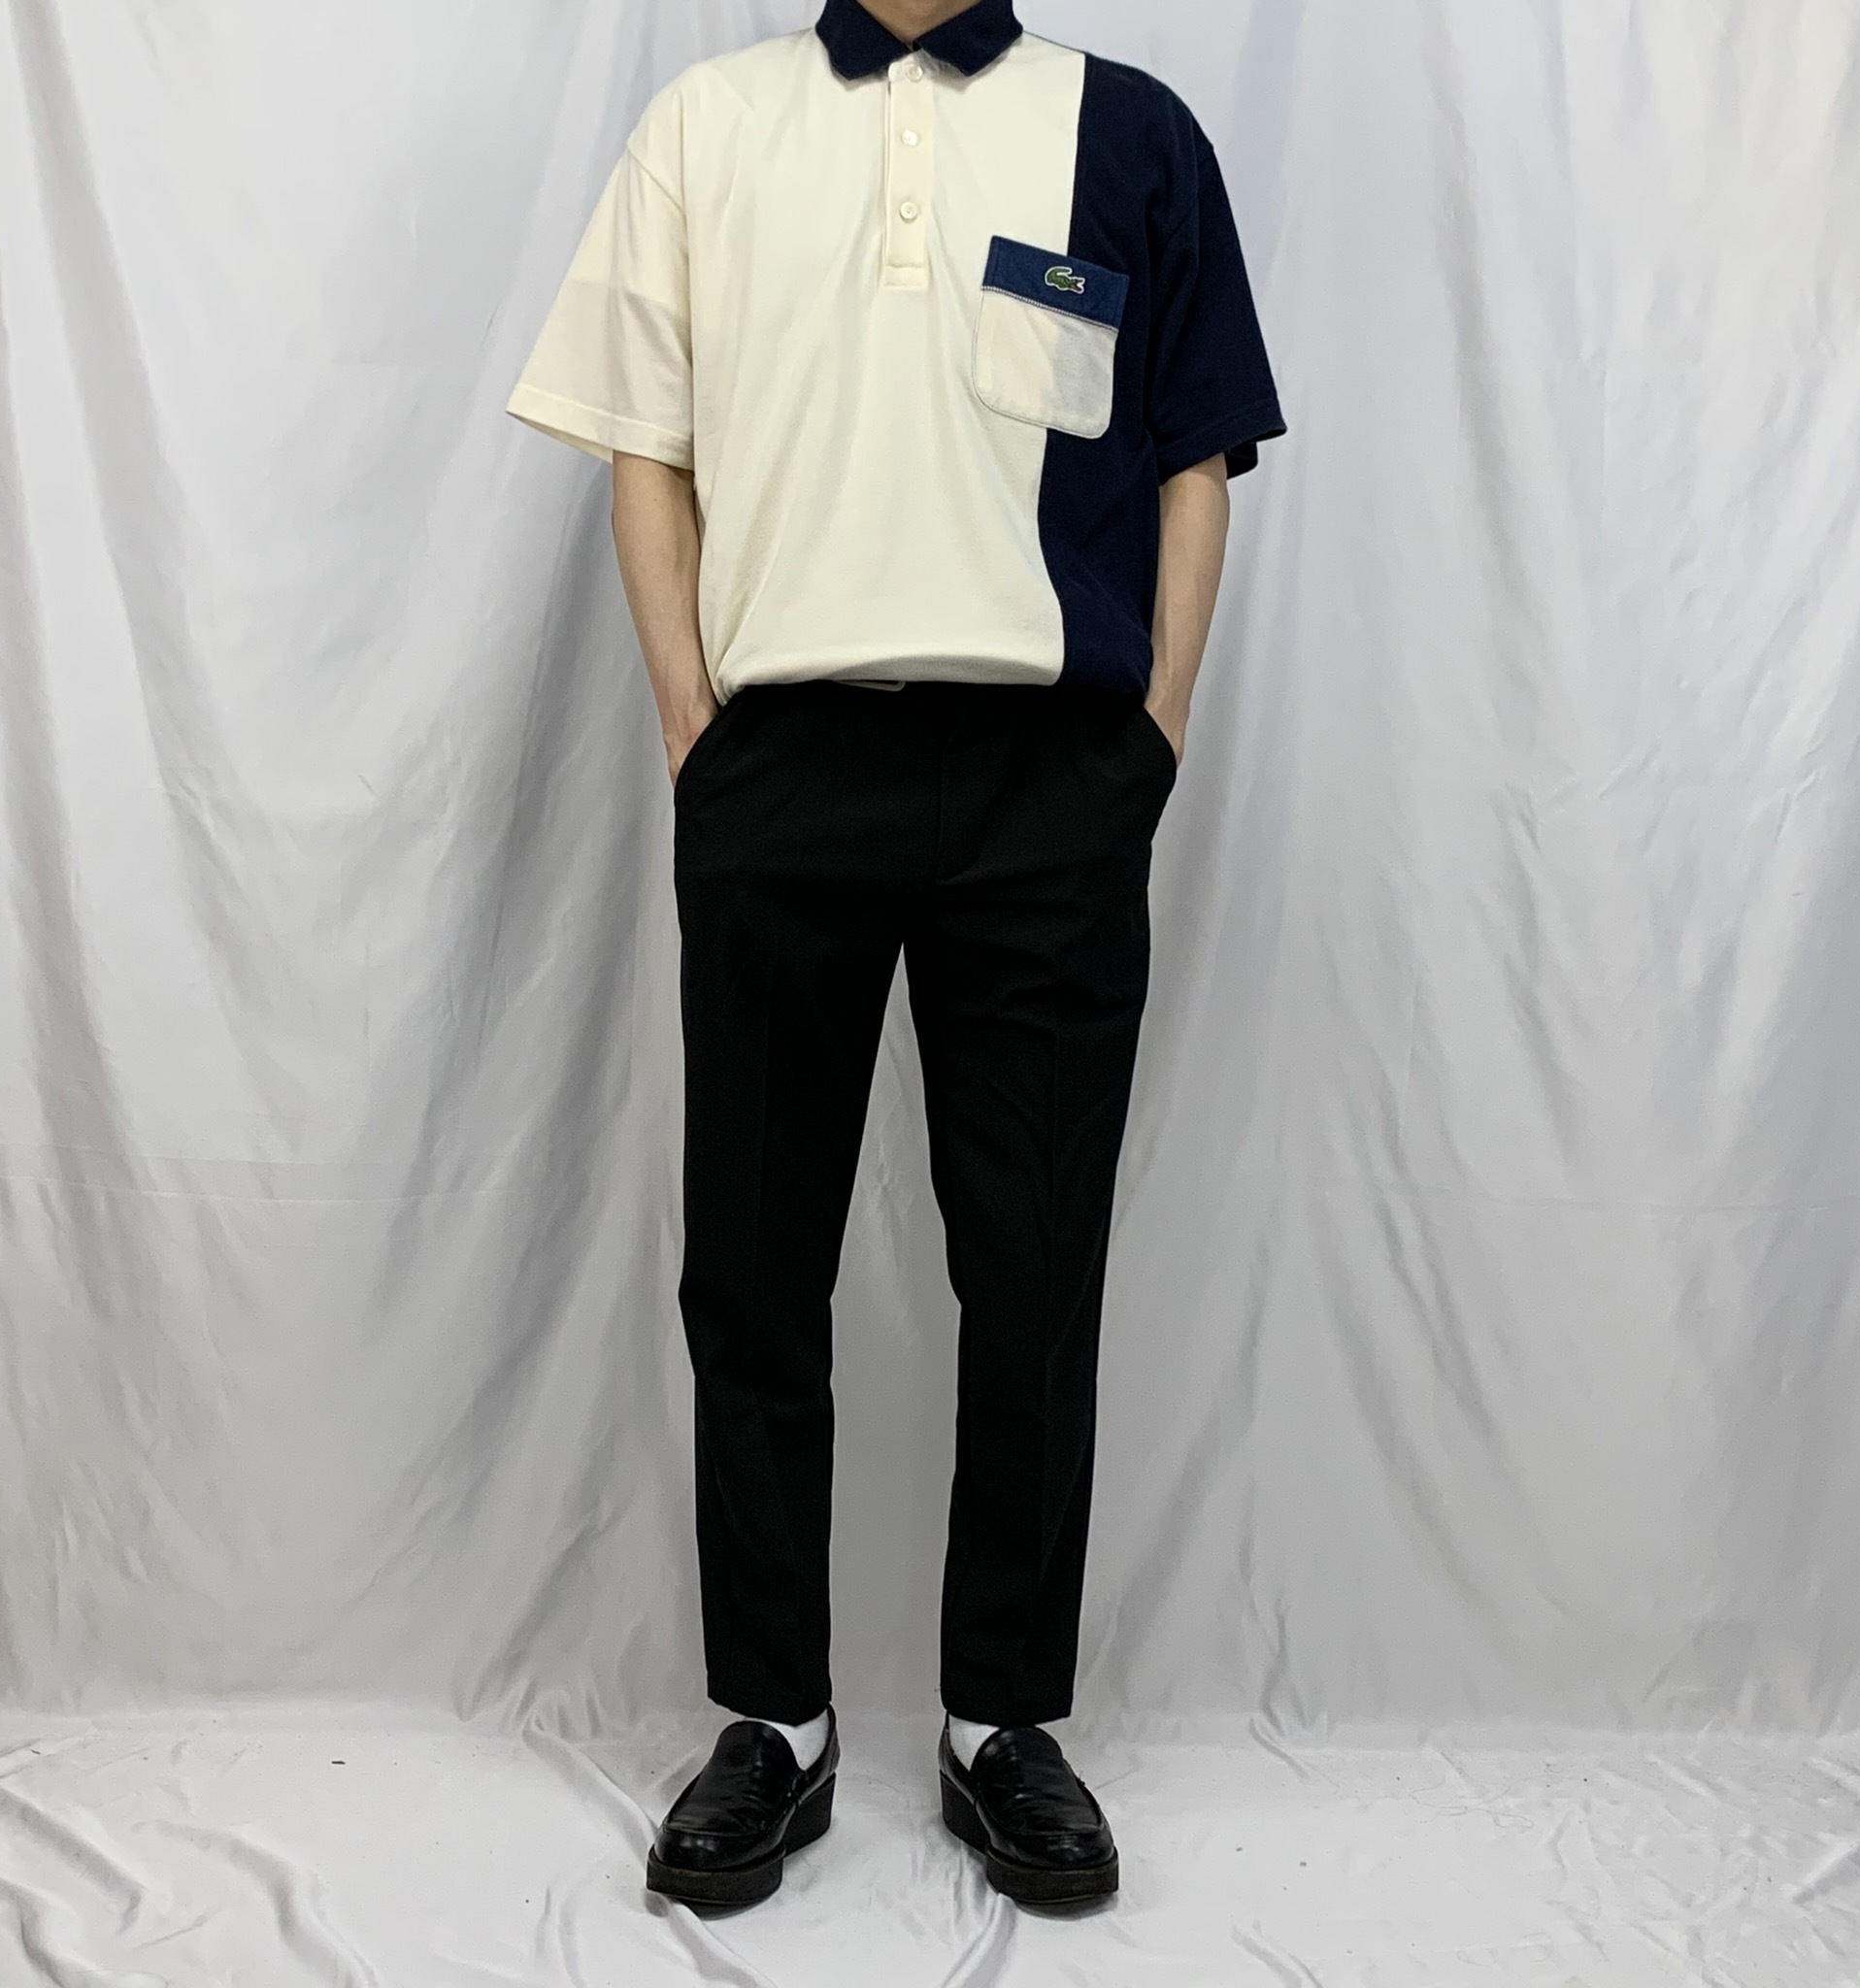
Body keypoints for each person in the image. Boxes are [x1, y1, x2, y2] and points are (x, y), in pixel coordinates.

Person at [506, 0, 1282, 1910]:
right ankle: (772, 1719)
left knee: (1034, 1266)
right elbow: (643, 446)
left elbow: (1195, 456)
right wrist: (695, 734)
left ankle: (1000, 1720)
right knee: (753, 1262)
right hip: (783, 766)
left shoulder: (1132, 136)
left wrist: (1152, 738)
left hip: (1050, 779)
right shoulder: (707, 128)